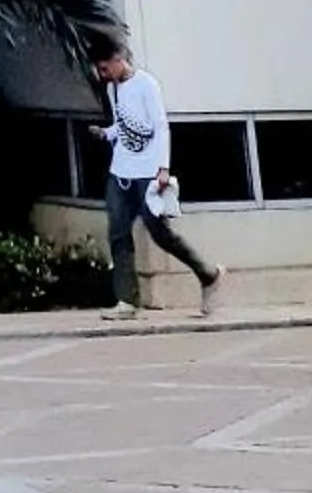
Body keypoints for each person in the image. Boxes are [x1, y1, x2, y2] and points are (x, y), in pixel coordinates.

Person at [96, 43, 223, 320]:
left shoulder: (146, 85)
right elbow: (125, 125)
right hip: (121, 170)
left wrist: (163, 168)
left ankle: (207, 273)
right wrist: (106, 134)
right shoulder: (112, 89)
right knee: (118, 232)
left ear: (118, 59)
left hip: (148, 171)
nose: (103, 74)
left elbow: (159, 124)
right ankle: (127, 300)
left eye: (105, 68)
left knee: (159, 231)